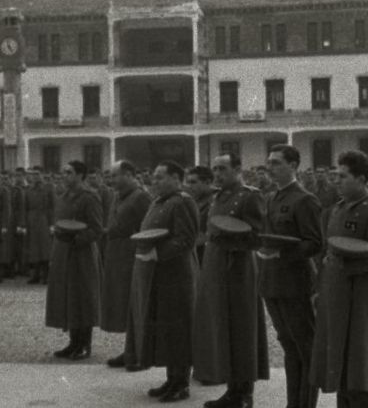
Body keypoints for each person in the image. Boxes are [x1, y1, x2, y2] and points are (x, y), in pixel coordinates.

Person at [311, 150, 368, 408]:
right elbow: (328, 252)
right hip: (337, 293)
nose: (336, 181)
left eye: (343, 176)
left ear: (362, 179)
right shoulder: (337, 210)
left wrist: (344, 265)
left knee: (364, 362)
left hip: (364, 296)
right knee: (342, 361)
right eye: (335, 176)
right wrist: (321, 288)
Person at [193, 152, 269, 408]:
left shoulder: (250, 195)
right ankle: (231, 390)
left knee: (242, 329)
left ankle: (245, 393)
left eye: (222, 169)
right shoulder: (218, 197)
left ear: (238, 169)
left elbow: (257, 235)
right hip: (216, 267)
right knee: (222, 327)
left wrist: (232, 240)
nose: (217, 174)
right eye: (214, 169)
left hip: (239, 269)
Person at [126, 160, 198, 402]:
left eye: (160, 177)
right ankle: (171, 378)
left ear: (177, 179)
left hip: (176, 274)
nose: (154, 181)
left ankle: (181, 383)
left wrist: (157, 253)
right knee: (166, 327)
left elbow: (186, 239)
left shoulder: (182, 202)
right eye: (153, 177)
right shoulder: (159, 202)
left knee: (178, 328)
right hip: (158, 274)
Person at [258, 145, 322, 408]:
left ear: (294, 165)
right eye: (269, 163)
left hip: (295, 283)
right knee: (288, 345)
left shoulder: (304, 199)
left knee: (305, 347)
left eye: (277, 163)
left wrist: (281, 256)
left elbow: (314, 243)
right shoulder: (272, 197)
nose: (270, 167)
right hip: (272, 282)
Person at [45, 160, 103, 361]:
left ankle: (84, 345)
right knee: (68, 296)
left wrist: (75, 239)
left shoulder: (89, 197)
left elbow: (96, 229)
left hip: (81, 253)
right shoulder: (63, 197)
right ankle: (73, 342)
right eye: (63, 171)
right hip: (62, 251)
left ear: (80, 175)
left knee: (82, 297)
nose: (64, 175)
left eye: (68, 172)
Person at [100, 160, 151, 372]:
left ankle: (142, 354)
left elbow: (148, 229)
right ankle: (130, 350)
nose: (111, 180)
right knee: (125, 305)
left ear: (129, 174)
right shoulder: (118, 196)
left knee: (137, 305)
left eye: (115, 176)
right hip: (117, 256)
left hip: (132, 256)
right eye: (110, 176)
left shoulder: (142, 197)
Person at [22, 169, 54, 284]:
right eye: (33, 175)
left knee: (45, 249)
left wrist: (52, 224)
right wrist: (24, 224)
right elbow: (25, 208)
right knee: (33, 249)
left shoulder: (48, 189)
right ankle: (35, 275)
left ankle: (45, 275)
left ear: (42, 175)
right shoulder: (28, 190)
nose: (35, 177)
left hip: (43, 220)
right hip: (31, 221)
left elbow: (52, 207)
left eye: (37, 174)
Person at [185, 165, 214, 267]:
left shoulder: (215, 203)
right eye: (188, 182)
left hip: (207, 258)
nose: (189, 186)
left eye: (193, 182)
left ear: (207, 182)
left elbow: (206, 236)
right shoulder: (195, 201)